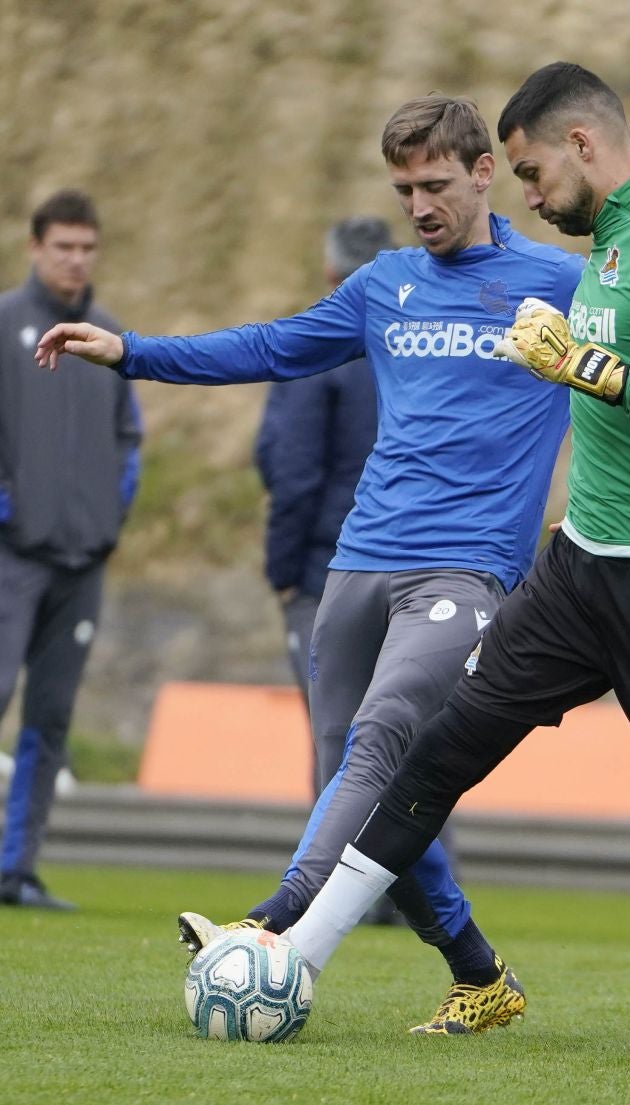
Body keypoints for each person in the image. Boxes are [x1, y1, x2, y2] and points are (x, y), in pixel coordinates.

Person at [171, 62, 630, 1064]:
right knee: (438, 750)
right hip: (580, 568)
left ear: (582, 147)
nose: (525, 195)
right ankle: (298, 955)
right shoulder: (603, 247)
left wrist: (583, 367)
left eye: (528, 172)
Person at [35, 95, 585, 1033]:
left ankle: (269, 922)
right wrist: (132, 352)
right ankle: (478, 970)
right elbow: (270, 347)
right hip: (359, 559)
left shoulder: (561, 283)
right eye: (404, 187)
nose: (420, 203)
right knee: (359, 776)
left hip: (462, 572)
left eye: (437, 184)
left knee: (377, 742)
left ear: (486, 173)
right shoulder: (384, 284)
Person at [0, 189, 141, 910]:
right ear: (35, 248)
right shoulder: (3, 326)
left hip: (82, 565)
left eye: (87, 247)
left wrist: (107, 521)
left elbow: (129, 440)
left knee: (49, 722)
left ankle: (14, 871)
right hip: (12, 559)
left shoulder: (105, 335)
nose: (76, 259)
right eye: (64, 246)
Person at [254, 216, 391, 795]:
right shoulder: (424, 343)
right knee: (403, 742)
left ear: (332, 270)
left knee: (337, 745)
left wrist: (284, 573)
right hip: (419, 567)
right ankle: (431, 886)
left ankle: (332, 885)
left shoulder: (317, 343)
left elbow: (292, 469)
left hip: (328, 571)